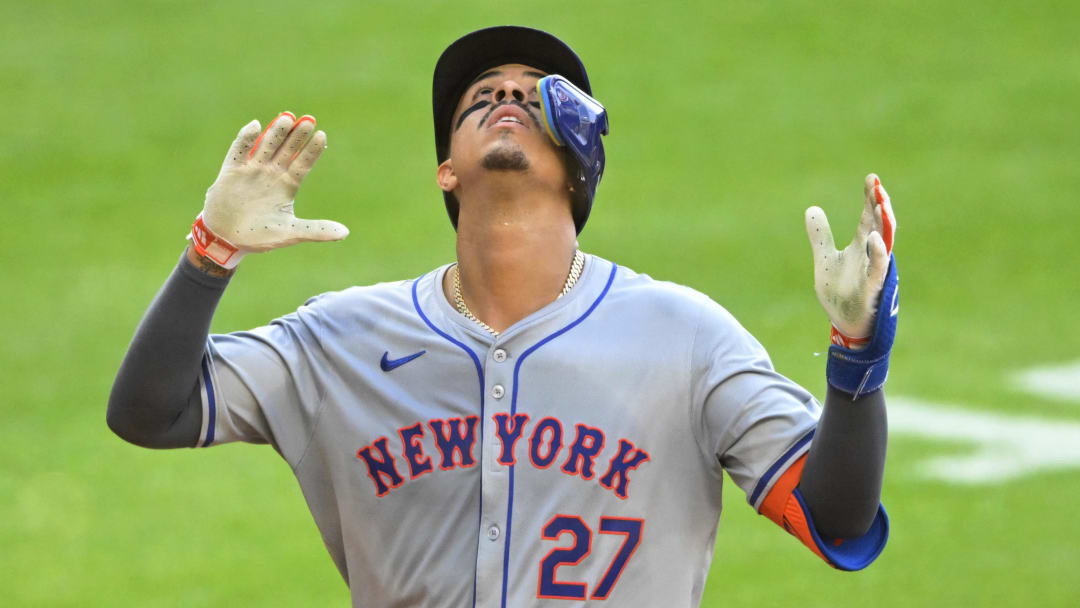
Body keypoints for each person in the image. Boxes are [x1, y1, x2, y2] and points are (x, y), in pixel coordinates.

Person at [109, 25, 896, 608]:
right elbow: (150, 412)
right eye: (481, 95)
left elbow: (835, 518)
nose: (508, 95)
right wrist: (209, 255)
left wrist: (855, 355)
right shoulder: (341, 339)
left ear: (581, 159)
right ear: (447, 168)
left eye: (535, 92)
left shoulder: (685, 337)